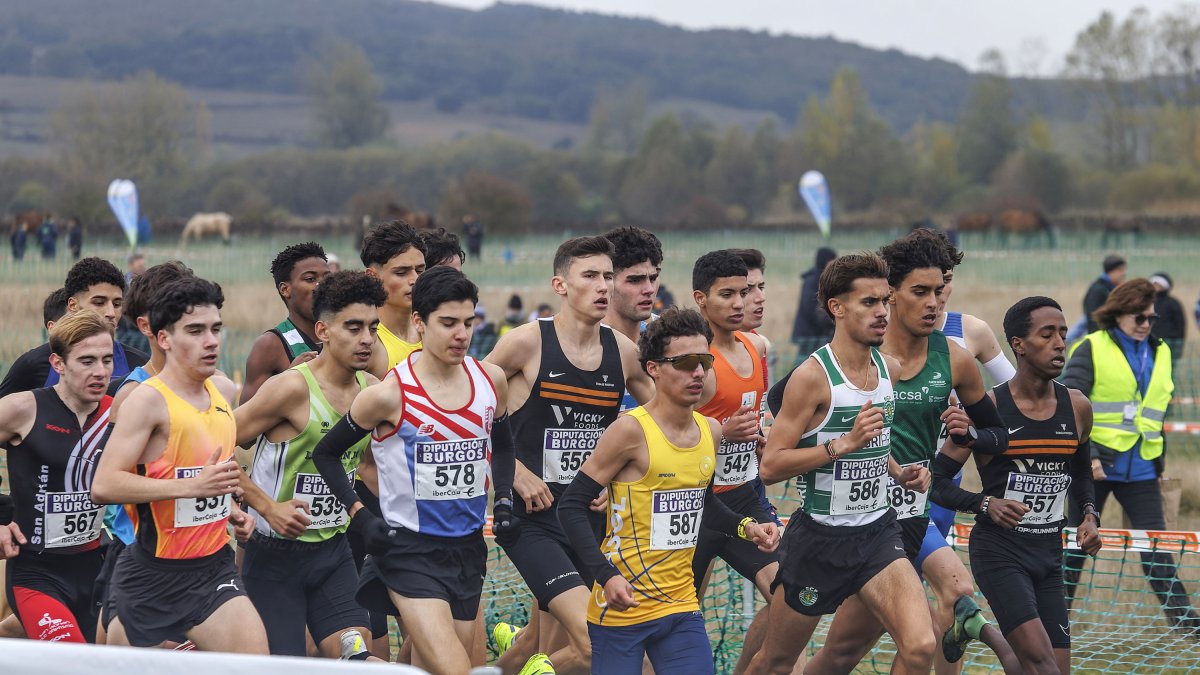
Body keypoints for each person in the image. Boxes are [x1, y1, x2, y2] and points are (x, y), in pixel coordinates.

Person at [810, 232, 1018, 674]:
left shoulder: (956, 358)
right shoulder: (858, 353)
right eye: (920, 292)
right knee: (836, 651)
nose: (934, 303)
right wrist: (836, 447)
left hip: (908, 518)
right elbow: (785, 407)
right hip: (843, 521)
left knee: (897, 640)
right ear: (890, 295)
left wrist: (969, 436)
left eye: (940, 291)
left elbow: (1000, 435)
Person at [311, 266, 518, 675]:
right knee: (455, 669)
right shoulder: (388, 394)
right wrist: (360, 515)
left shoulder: (490, 381)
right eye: (448, 323)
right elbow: (326, 454)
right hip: (408, 552)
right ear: (420, 323)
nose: (461, 334)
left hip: (468, 550)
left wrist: (506, 498)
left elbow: (504, 444)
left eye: (468, 322)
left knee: (423, 664)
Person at [558, 307, 780, 675]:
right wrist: (606, 575)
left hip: (680, 606)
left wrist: (747, 528)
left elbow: (703, 505)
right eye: (685, 362)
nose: (698, 373)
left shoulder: (710, 430)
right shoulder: (629, 432)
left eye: (704, 361)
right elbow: (571, 506)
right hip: (622, 607)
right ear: (654, 368)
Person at [750, 252, 935, 675]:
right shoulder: (812, 377)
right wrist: (842, 445)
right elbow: (772, 466)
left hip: (877, 532)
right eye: (868, 302)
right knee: (776, 662)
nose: (882, 312)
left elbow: (876, 443)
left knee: (922, 645)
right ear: (837, 307)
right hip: (819, 541)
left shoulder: (889, 368)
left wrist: (899, 471)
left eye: (885, 301)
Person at [485, 236, 655, 675]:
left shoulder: (622, 351)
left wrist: (616, 478)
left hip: (587, 520)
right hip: (532, 520)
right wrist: (514, 471)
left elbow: (661, 425)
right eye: (590, 276)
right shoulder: (526, 343)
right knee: (597, 643)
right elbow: (467, 408)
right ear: (560, 285)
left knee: (547, 648)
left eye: (607, 276)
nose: (604, 286)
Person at [90, 277, 267, 653]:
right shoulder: (145, 401)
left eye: (215, 329)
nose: (211, 341)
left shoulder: (222, 393)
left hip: (212, 568)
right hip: (151, 574)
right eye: (195, 330)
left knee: (255, 662)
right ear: (164, 338)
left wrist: (231, 508)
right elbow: (104, 485)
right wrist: (190, 489)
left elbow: (204, 472)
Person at [932, 296, 1100, 674]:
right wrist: (984, 504)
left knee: (1041, 666)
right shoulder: (988, 410)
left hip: (1048, 554)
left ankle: (976, 628)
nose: (1060, 343)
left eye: (1062, 333)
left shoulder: (1077, 406)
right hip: (1000, 553)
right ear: (1019, 345)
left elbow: (1081, 471)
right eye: (1047, 335)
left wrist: (1089, 515)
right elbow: (936, 483)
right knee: (1041, 666)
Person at [232, 271, 385, 659]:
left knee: (357, 659)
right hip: (272, 558)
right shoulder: (290, 389)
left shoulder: (371, 391)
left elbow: (365, 467)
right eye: (353, 327)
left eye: (373, 327)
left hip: (334, 555)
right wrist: (266, 506)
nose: (366, 339)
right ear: (323, 330)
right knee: (285, 666)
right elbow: (213, 444)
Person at [1062, 279, 1200, 635]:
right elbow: (1072, 405)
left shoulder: (1162, 351)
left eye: (1151, 319)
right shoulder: (1091, 347)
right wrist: (1088, 456)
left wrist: (1158, 462)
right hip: (1095, 466)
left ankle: (1185, 625)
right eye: (1139, 317)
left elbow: (1155, 409)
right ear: (1118, 314)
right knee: (1075, 546)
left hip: (1141, 466)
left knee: (1156, 547)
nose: (1145, 324)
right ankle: (1052, 618)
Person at [688, 250, 778, 673]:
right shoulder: (693, 360)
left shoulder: (756, 345)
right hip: (693, 505)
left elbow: (758, 413)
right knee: (679, 620)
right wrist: (724, 431)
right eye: (727, 294)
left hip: (744, 496)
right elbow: (665, 431)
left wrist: (763, 435)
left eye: (744, 291)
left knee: (789, 595)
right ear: (701, 299)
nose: (740, 302)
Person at [0, 312, 114, 643]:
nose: (100, 371)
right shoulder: (22, 409)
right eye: (87, 361)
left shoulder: (118, 412)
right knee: (73, 662)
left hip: (95, 570)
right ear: (58, 363)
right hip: (36, 572)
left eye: (107, 360)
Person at [0, 257, 148, 397]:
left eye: (116, 304)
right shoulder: (34, 365)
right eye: (99, 303)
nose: (110, 313)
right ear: (73, 305)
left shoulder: (138, 364)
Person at [240, 242, 330, 404]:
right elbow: (246, 421)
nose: (322, 286)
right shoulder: (270, 345)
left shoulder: (346, 336)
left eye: (328, 278)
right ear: (285, 289)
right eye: (310, 279)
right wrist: (290, 378)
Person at [601, 226, 663, 412]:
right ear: (606, 281)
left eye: (653, 278)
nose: (649, 290)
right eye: (635, 280)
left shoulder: (669, 338)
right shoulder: (580, 339)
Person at [362, 220, 428, 375]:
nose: (415, 280)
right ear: (372, 277)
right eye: (401, 272)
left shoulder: (431, 331)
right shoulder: (366, 343)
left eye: (420, 270)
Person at [791, 246, 837, 365]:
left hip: (818, 333)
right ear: (825, 261)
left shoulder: (824, 279)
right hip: (809, 332)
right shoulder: (812, 280)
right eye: (832, 260)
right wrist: (826, 321)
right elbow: (809, 306)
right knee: (804, 363)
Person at [1082, 254, 1126, 334]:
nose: (1124, 273)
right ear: (1111, 271)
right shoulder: (1098, 290)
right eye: (1120, 270)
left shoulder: (1111, 287)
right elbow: (1093, 319)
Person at [1150, 272, 1186, 365]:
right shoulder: (1148, 303)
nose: (1155, 286)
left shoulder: (1173, 303)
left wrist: (1176, 341)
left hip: (1170, 342)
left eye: (1158, 283)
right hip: (1152, 341)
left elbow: (1180, 325)